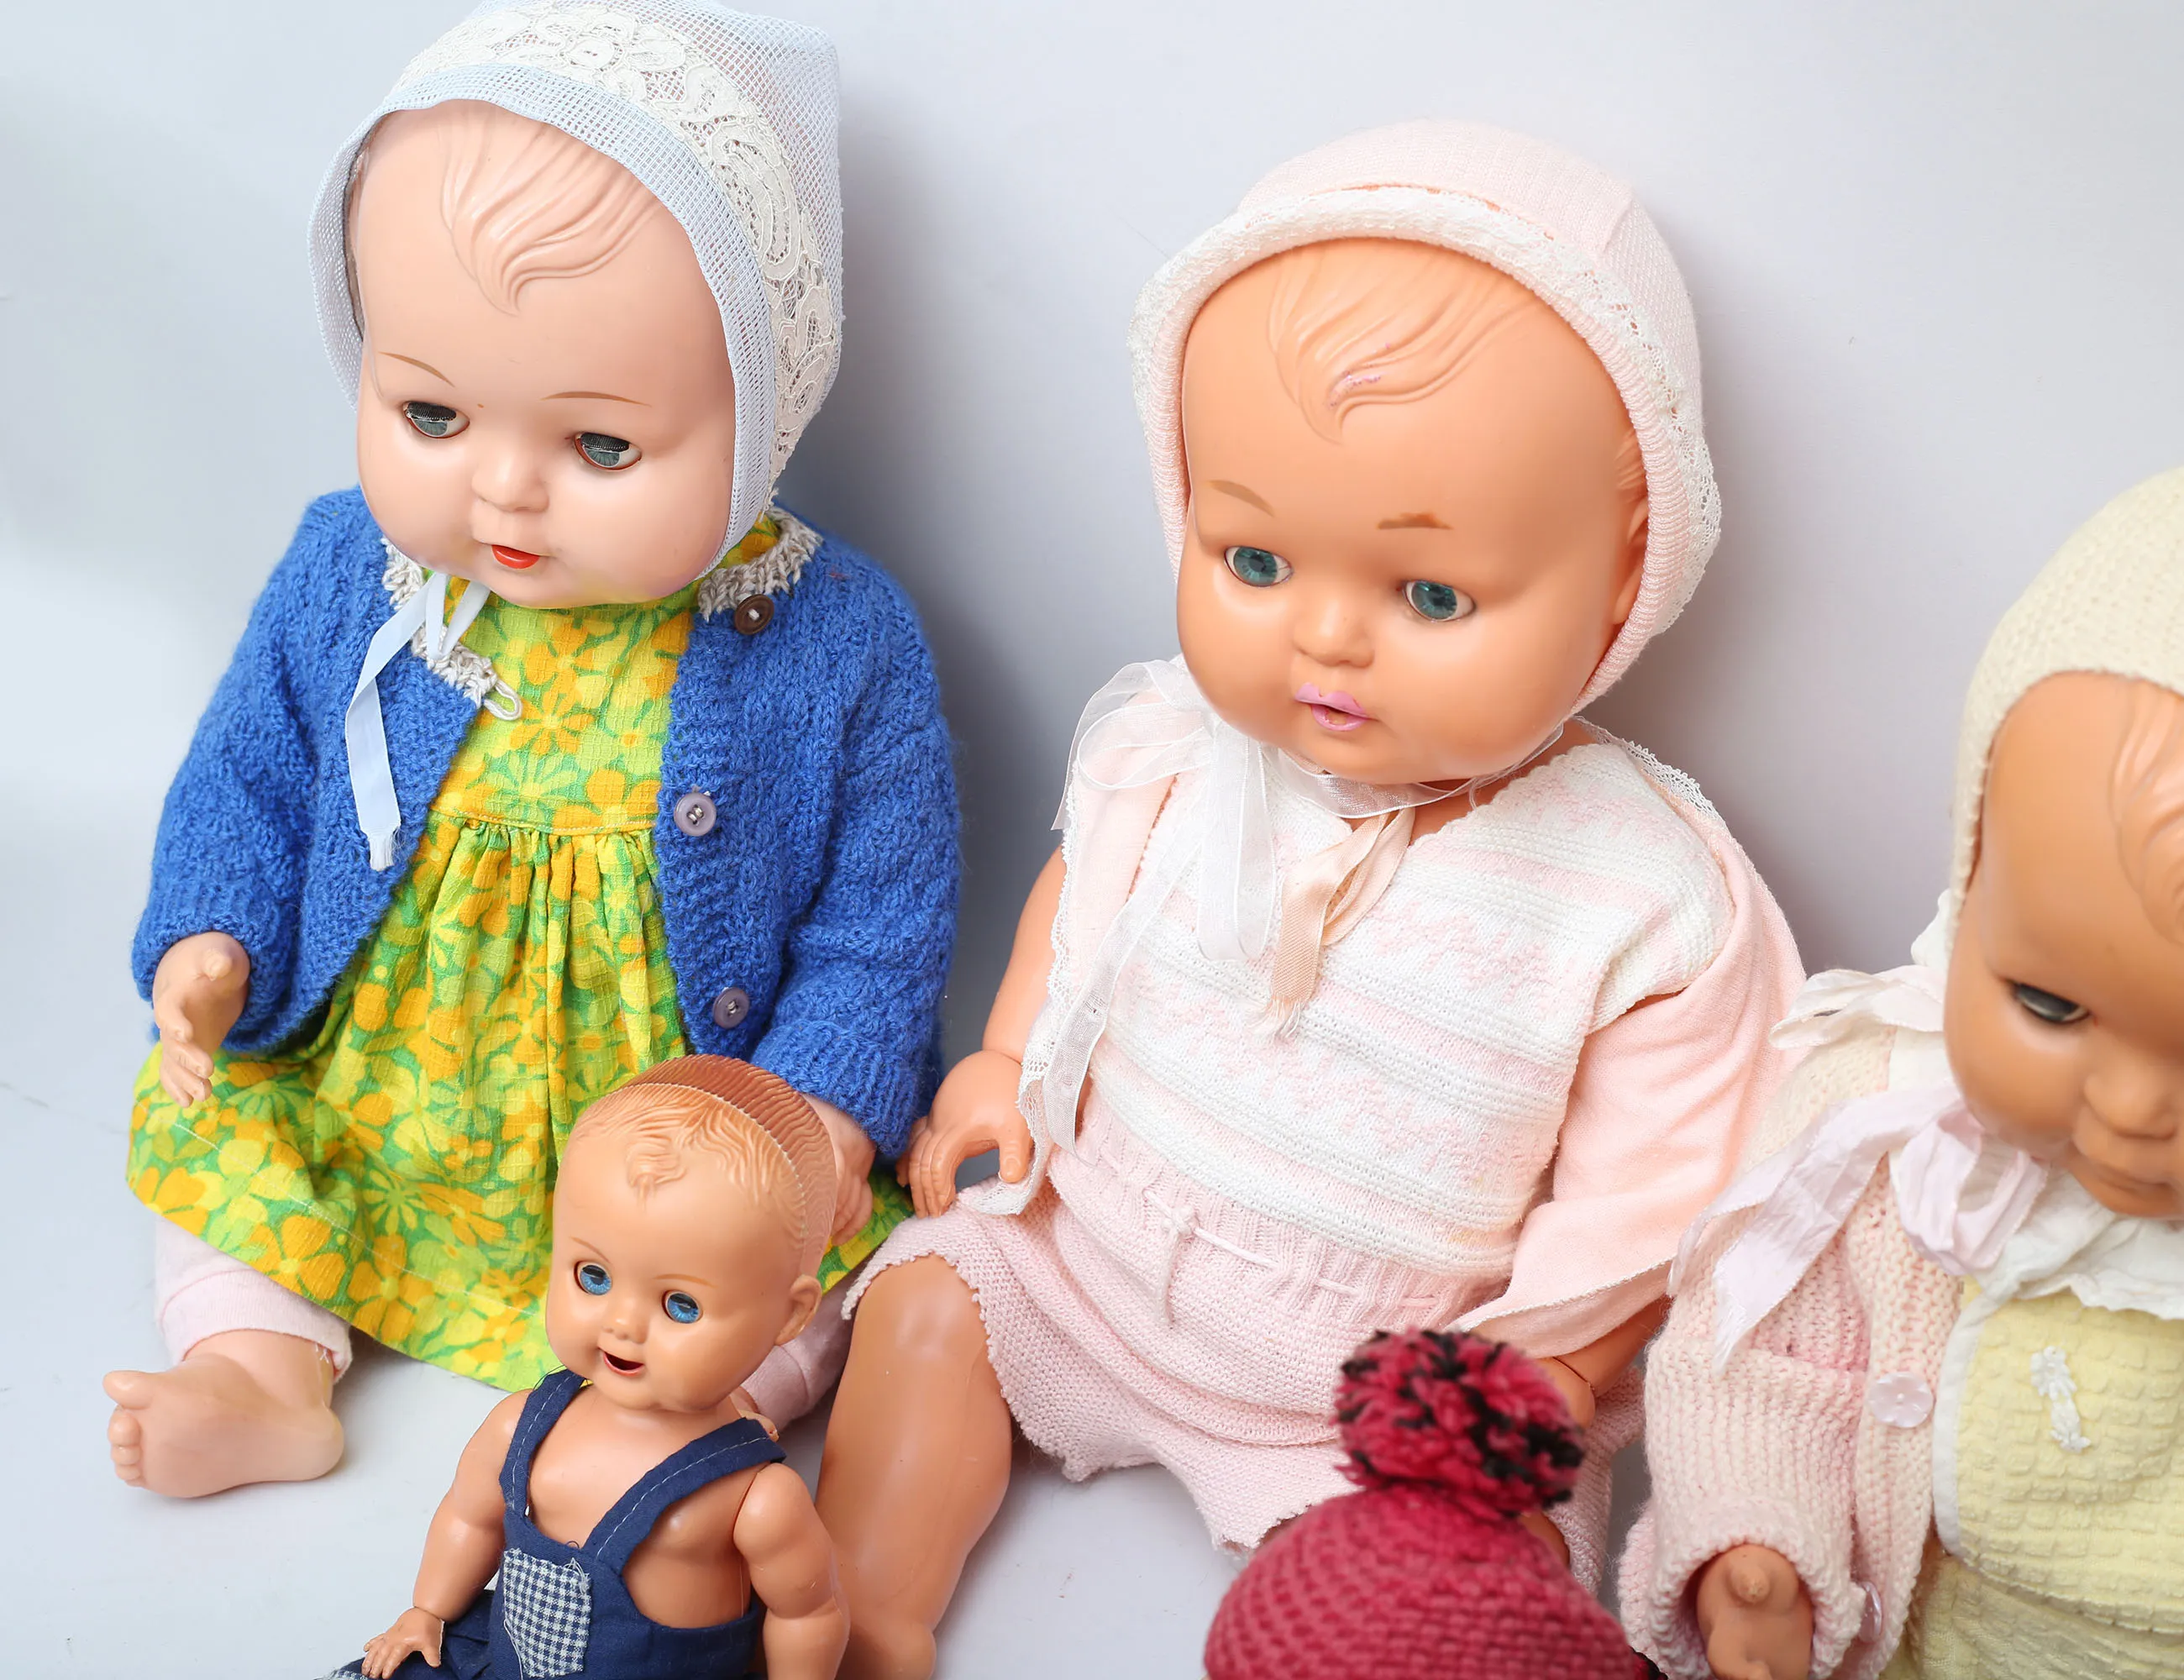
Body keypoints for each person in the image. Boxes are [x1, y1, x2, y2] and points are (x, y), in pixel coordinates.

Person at [817, 120, 1803, 1677]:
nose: (1325, 639)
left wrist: (1532, 1378)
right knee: (933, 1303)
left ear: (1627, 575)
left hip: (1376, 1401)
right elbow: (1085, 900)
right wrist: (1004, 1060)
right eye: (1256, 561)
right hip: (1086, 1260)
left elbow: (1656, 1191)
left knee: (1417, 1600)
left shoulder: (1639, 894)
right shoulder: (1171, 743)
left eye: (1430, 594)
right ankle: (857, 1614)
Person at [108, 1, 956, 1499]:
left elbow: (880, 920)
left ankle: (681, 1434)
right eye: (430, 412)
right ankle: (257, 1369)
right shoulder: (353, 573)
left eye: (601, 446)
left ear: (763, 408)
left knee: (805, 1286)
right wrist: (211, 938)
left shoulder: (838, 638)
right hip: (386, 1091)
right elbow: (251, 771)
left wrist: (818, 1112)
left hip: (666, 1157)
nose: (503, 488)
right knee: (236, 1152)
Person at [1624, 467, 2184, 1679]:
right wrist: (1753, 1539)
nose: (2135, 1108)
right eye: (2048, 1004)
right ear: (1970, 889)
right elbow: (1762, 1361)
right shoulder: (1889, 1125)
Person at [334, 1058, 848, 1680]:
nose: (623, 1323)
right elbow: (470, 1517)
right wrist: (428, 1610)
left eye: (681, 1305)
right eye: (593, 1277)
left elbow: (807, 1615)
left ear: (789, 1316)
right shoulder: (521, 1427)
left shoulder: (753, 1498)